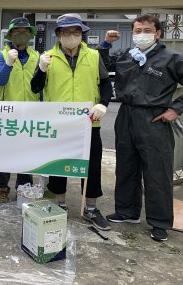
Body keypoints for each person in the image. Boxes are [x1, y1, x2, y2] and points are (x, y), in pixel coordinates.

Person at [100, 15, 183, 242]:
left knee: (157, 172)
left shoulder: (171, 58)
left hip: (154, 118)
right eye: (137, 30)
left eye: (147, 30)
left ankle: (159, 222)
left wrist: (176, 109)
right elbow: (103, 66)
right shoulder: (128, 55)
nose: (142, 34)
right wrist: (106, 44)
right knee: (126, 166)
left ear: (157, 33)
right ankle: (127, 211)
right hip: (126, 114)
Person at [31, 13, 112, 231]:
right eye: (66, 32)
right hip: (60, 123)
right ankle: (60, 203)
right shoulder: (47, 57)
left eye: (76, 32)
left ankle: (91, 208)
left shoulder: (94, 56)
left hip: (89, 122)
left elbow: (105, 84)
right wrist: (41, 69)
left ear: (82, 34)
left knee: (91, 166)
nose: (71, 36)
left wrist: (103, 103)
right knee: (59, 165)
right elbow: (35, 88)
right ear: (58, 34)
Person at [0, 17, 40, 202]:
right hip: (8, 113)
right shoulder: (0, 56)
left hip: (30, 113)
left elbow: (41, 86)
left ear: (30, 35)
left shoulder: (37, 57)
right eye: (17, 31)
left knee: (26, 154)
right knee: (5, 153)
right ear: (11, 35)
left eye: (25, 31)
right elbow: (0, 81)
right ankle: (1, 187)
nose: (21, 34)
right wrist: (8, 64)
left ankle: (23, 187)